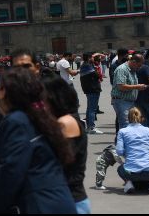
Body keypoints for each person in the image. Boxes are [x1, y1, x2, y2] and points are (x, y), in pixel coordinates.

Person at [0, 67, 76, 214]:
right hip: (58, 200)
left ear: (9, 92)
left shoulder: (15, 121)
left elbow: (11, 171)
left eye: (0, 88)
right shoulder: (39, 116)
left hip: (40, 204)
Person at [42, 71, 90, 214]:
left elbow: (60, 163)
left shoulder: (66, 122)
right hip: (64, 197)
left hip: (69, 199)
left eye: (40, 98)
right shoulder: (61, 121)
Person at [116, 107, 149, 194]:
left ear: (128, 118)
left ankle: (128, 183)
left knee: (120, 168)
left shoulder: (122, 132)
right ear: (142, 118)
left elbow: (119, 152)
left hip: (130, 173)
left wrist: (128, 153)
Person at [111, 53, 147, 131]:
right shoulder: (122, 69)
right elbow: (121, 86)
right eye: (139, 65)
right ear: (134, 62)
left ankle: (123, 142)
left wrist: (138, 87)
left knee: (131, 124)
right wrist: (137, 87)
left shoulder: (132, 70)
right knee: (125, 125)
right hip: (121, 101)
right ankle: (123, 142)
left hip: (129, 101)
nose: (139, 67)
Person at [79, 54, 103, 134]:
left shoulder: (84, 65)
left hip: (89, 89)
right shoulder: (88, 66)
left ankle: (89, 127)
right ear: (89, 58)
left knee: (90, 108)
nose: (93, 59)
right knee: (92, 109)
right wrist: (96, 70)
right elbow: (98, 76)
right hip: (92, 89)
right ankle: (91, 127)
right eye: (92, 57)